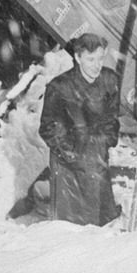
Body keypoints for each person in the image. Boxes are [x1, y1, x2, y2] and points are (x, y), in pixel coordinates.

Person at [38, 33, 121, 226]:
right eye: (90, 59)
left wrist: (103, 142)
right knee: (74, 226)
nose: (96, 65)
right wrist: (70, 152)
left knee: (103, 220)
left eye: (100, 58)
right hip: (67, 160)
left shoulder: (109, 80)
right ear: (77, 58)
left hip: (96, 156)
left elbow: (112, 119)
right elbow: (47, 127)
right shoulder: (59, 87)